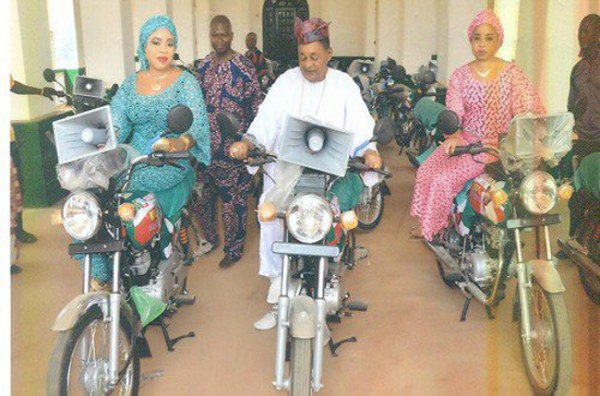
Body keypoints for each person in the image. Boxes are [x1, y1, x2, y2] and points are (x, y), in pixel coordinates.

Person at [230, 16, 382, 330]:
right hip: (289, 170)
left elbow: (360, 128)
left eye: (314, 56)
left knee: (334, 215)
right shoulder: (286, 82)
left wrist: (369, 151)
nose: (308, 64)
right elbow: (266, 121)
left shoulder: (343, 85)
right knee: (270, 208)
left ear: (329, 53)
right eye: (302, 57)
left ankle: (329, 272)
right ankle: (279, 286)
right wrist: (248, 142)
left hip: (334, 172)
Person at [85, 15, 210, 286]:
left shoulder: (186, 81)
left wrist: (178, 143)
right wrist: (99, 144)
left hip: (171, 159)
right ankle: (107, 271)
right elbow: (116, 122)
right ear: (144, 46)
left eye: (169, 43)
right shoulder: (130, 84)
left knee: (142, 201)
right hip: (136, 158)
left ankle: (157, 263)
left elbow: (197, 126)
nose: (164, 49)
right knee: (101, 200)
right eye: (156, 42)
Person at [410, 9, 545, 241]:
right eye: (477, 38)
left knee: (443, 181)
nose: (482, 44)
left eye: (489, 38)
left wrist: (539, 134)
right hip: (469, 147)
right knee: (427, 172)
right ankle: (437, 228)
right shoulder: (460, 75)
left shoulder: (512, 74)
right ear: (470, 39)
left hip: (504, 150)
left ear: (499, 40)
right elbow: (454, 113)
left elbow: (530, 108)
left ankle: (437, 228)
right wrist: (453, 135)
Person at [194, 15, 262, 269]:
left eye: (224, 34)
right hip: (206, 149)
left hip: (234, 151)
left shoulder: (244, 67)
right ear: (210, 36)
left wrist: (252, 145)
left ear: (232, 36)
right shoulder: (202, 67)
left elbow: (256, 108)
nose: (219, 39)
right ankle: (210, 239)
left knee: (234, 205)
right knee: (203, 199)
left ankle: (234, 249)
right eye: (215, 34)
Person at [10, 75, 58, 246]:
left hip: (9, 141)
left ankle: (18, 229)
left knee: (16, 188)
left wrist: (41, 91)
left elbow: (14, 86)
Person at [567, 13, 599, 157]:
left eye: (586, 31)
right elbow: (570, 108)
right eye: (580, 31)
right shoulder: (577, 69)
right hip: (583, 141)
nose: (581, 35)